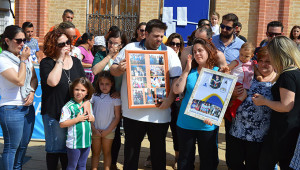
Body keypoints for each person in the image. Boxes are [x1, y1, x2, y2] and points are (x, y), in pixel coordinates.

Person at [110, 19, 182, 170]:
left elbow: (177, 81)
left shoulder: (169, 52)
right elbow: (113, 69)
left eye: (161, 36)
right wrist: (119, 69)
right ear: (146, 34)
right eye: (156, 36)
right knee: (130, 153)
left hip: (159, 114)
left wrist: (170, 100)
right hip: (133, 113)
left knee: (158, 153)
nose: (159, 39)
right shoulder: (131, 48)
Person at [40, 29, 91, 170]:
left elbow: (84, 85)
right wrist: (60, 59)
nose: (66, 46)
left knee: (68, 150)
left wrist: (86, 102)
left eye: (67, 42)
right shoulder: (47, 62)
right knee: (54, 150)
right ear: (53, 46)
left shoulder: (76, 61)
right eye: (61, 44)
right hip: (54, 113)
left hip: (73, 114)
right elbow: (52, 82)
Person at [251, 36, 300, 169]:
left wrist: (264, 101)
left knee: (265, 165)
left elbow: (286, 106)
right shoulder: (296, 71)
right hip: (292, 129)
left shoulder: (287, 75)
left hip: (282, 130)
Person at [227, 46, 276, 169]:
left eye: (268, 61)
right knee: (233, 163)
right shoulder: (250, 74)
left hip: (259, 136)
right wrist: (233, 94)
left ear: (275, 62)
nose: (263, 64)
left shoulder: (278, 82)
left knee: (253, 166)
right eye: (261, 61)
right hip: (237, 131)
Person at [173, 38, 219, 170]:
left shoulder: (217, 72)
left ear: (209, 52)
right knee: (185, 161)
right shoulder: (190, 72)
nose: (197, 54)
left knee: (208, 161)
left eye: (200, 50)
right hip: (186, 123)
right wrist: (186, 71)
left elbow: (220, 99)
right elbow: (177, 90)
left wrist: (213, 116)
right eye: (194, 51)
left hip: (206, 125)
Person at [0, 25, 37, 170]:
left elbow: (33, 78)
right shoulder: (3, 59)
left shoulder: (25, 58)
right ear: (7, 40)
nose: (22, 43)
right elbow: (19, 80)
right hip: (11, 107)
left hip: (27, 108)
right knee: (12, 147)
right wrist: (23, 60)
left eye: (24, 40)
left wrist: (32, 92)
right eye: (19, 40)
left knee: (23, 146)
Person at [92, 28, 127, 170]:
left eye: (116, 44)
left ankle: (111, 163)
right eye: (110, 42)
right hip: (100, 97)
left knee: (115, 131)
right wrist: (109, 56)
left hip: (117, 98)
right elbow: (95, 70)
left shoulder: (125, 56)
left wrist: (119, 92)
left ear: (122, 45)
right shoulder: (101, 54)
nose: (113, 46)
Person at [59, 77, 95, 170]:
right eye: (77, 89)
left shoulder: (88, 104)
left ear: (87, 92)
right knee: (72, 165)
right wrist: (77, 119)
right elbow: (62, 124)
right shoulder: (68, 106)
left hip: (86, 141)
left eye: (83, 90)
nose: (79, 92)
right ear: (72, 90)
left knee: (82, 165)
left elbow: (93, 118)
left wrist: (92, 118)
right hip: (74, 143)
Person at [91, 71, 121, 170]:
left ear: (112, 84)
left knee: (107, 152)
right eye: (101, 84)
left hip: (109, 131)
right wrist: (94, 129)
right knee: (95, 153)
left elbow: (117, 117)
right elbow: (89, 114)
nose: (104, 86)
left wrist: (107, 131)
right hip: (95, 130)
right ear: (98, 84)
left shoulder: (115, 98)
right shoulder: (94, 96)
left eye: (107, 84)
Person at [165, 32, 184, 168]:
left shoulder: (184, 60)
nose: (175, 46)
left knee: (176, 130)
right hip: (162, 97)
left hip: (178, 100)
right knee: (159, 129)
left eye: (178, 44)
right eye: (172, 43)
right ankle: (153, 155)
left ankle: (177, 157)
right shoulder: (163, 58)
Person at [225, 42, 257, 121]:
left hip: (245, 84)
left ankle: (229, 110)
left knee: (241, 95)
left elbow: (257, 72)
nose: (243, 57)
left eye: (246, 56)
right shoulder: (236, 62)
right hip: (236, 82)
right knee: (244, 94)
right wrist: (226, 68)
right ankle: (233, 108)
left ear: (252, 56)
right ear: (239, 52)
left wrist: (259, 76)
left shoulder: (252, 64)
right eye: (241, 55)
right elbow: (228, 68)